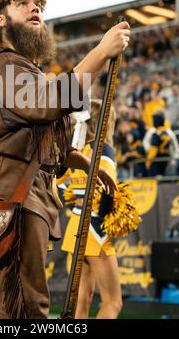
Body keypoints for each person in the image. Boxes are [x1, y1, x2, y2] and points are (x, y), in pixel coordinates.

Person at [0, 0, 130, 319]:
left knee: (5, 301)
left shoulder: (26, 69)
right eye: (22, 3)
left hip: (25, 192)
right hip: (13, 194)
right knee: (24, 303)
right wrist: (99, 53)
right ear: (1, 19)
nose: (34, 7)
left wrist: (83, 162)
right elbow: (47, 103)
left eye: (38, 3)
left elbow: (45, 140)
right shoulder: (3, 64)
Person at [59, 101, 122, 319]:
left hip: (74, 229)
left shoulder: (79, 152)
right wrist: (113, 217)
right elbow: (108, 190)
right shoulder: (103, 148)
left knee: (80, 301)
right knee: (113, 302)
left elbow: (59, 183)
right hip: (95, 229)